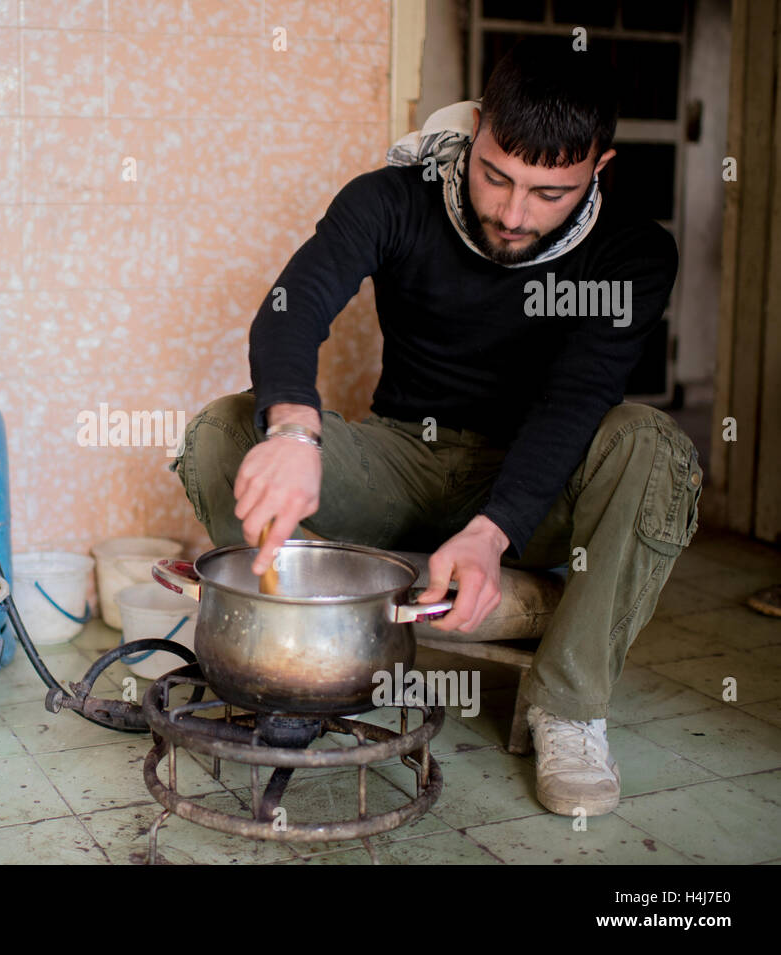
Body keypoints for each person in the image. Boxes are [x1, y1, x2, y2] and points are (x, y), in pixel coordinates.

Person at [172, 39, 703, 817]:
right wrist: (292, 431)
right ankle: (297, 650)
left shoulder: (634, 252)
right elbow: (296, 305)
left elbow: (576, 400)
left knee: (652, 445)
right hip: (404, 454)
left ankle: (569, 705)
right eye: (496, 175)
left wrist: (493, 532)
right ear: (477, 129)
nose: (513, 213)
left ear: (601, 165)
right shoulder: (392, 197)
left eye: (548, 192)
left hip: (536, 482)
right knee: (225, 428)